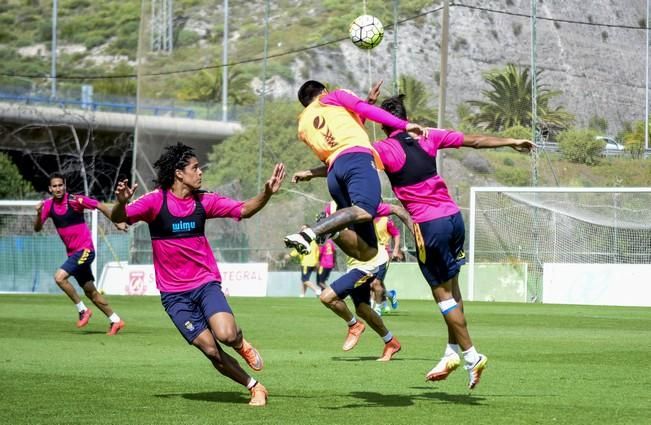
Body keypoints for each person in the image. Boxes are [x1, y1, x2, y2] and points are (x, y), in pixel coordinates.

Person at [372, 91, 535, 390]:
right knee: (454, 287)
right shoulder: (428, 135)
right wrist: (511, 141)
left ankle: (472, 356)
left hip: (429, 225)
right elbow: (473, 139)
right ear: (405, 118)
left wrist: (362, 110)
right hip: (453, 218)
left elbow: (349, 156)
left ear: (384, 123)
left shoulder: (383, 148)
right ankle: (451, 354)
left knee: (442, 294)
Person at [111, 143, 285, 407]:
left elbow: (244, 209)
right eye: (195, 168)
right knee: (211, 350)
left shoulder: (205, 201)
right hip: (174, 296)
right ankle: (255, 387)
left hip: (205, 284)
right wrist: (121, 203)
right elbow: (119, 217)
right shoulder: (155, 201)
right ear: (179, 173)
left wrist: (267, 193)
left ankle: (241, 343)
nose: (200, 172)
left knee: (226, 335)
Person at [284, 80, 427, 263]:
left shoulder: (303, 126)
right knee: (366, 210)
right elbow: (362, 111)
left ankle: (331, 230)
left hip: (335, 175)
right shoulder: (334, 95)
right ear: (324, 91)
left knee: (368, 251)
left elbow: (348, 129)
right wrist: (403, 125)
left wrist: (311, 172)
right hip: (357, 160)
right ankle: (311, 232)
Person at [33, 173, 127, 335]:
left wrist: (117, 222)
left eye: (60, 185)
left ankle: (83, 310)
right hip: (73, 255)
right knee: (91, 292)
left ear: (65, 186)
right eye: (54, 186)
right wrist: (38, 213)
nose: (58, 189)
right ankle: (116, 320)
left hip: (85, 250)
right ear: (50, 189)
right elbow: (37, 228)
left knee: (59, 278)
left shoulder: (75, 201)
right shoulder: (48, 206)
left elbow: (100, 205)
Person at [319, 200, 411, 362]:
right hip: (354, 264)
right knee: (362, 309)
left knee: (327, 297)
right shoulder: (331, 206)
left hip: (371, 263)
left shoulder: (365, 203)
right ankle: (391, 342)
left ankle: (355, 324)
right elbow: (322, 228)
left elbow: (395, 212)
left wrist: (418, 231)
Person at [369, 216, 402, 315]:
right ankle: (388, 297)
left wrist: (395, 250)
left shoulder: (385, 220)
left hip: (384, 254)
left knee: (375, 283)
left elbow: (396, 234)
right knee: (372, 282)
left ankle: (376, 309)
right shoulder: (367, 219)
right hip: (371, 254)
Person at [287, 226, 322, 297]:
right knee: (305, 279)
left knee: (305, 279)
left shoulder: (304, 240)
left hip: (306, 262)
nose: (302, 230)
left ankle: (317, 290)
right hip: (312, 263)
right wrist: (317, 260)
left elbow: (298, 249)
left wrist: (290, 255)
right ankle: (302, 294)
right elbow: (317, 251)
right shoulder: (313, 240)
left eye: (304, 228)